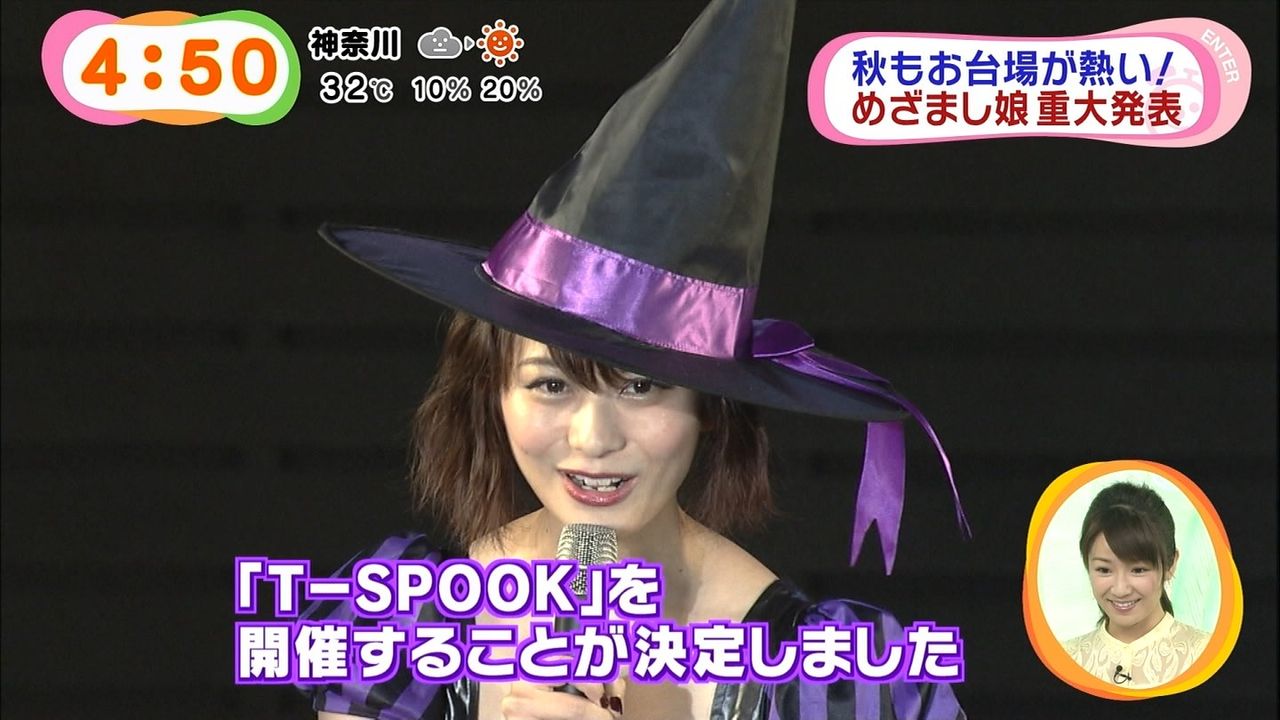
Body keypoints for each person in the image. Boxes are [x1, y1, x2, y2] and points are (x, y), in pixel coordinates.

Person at [296, 0, 968, 717]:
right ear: (493, 392)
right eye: (550, 385)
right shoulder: (403, 625)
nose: (593, 440)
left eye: (641, 386)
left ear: (710, 409)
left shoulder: (840, 682)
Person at [1061, 482, 1211, 689]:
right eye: (1104, 569)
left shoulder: (1208, 655)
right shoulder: (1064, 659)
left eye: (1138, 570)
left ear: (1170, 564)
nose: (1120, 589)